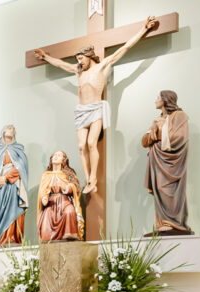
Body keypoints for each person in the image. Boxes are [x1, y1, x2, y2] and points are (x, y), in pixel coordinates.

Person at [34, 16, 158, 194]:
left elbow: (125, 47)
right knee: (81, 146)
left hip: (96, 109)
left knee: (92, 143)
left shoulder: (101, 67)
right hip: (81, 111)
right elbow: (61, 64)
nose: (79, 62)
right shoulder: (78, 71)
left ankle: (93, 177)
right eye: (77, 59)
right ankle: (87, 179)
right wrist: (46, 56)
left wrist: (144, 29)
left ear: (89, 56)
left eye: (81, 58)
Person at [142, 90, 191, 234]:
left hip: (172, 164)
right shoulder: (158, 119)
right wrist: (155, 127)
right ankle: (162, 222)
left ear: (165, 100)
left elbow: (180, 138)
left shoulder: (180, 116)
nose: (155, 100)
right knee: (159, 191)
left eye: (158, 97)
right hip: (157, 162)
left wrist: (159, 129)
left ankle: (173, 222)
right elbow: (144, 141)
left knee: (169, 191)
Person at [0, 124, 29, 248]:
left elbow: (21, 167)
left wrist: (7, 176)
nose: (11, 129)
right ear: (3, 131)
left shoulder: (19, 149)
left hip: (14, 186)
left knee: (14, 210)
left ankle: (13, 237)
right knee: (0, 211)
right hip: (1, 187)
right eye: (9, 127)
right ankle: (1, 238)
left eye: (13, 128)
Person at [37, 150, 84, 242]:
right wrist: (44, 198)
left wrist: (67, 187)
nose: (55, 156)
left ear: (64, 160)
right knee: (46, 218)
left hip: (65, 202)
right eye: (54, 155)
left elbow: (77, 189)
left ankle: (69, 237)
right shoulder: (46, 175)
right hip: (51, 204)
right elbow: (42, 191)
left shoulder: (69, 173)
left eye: (59, 155)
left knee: (69, 212)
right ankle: (47, 239)